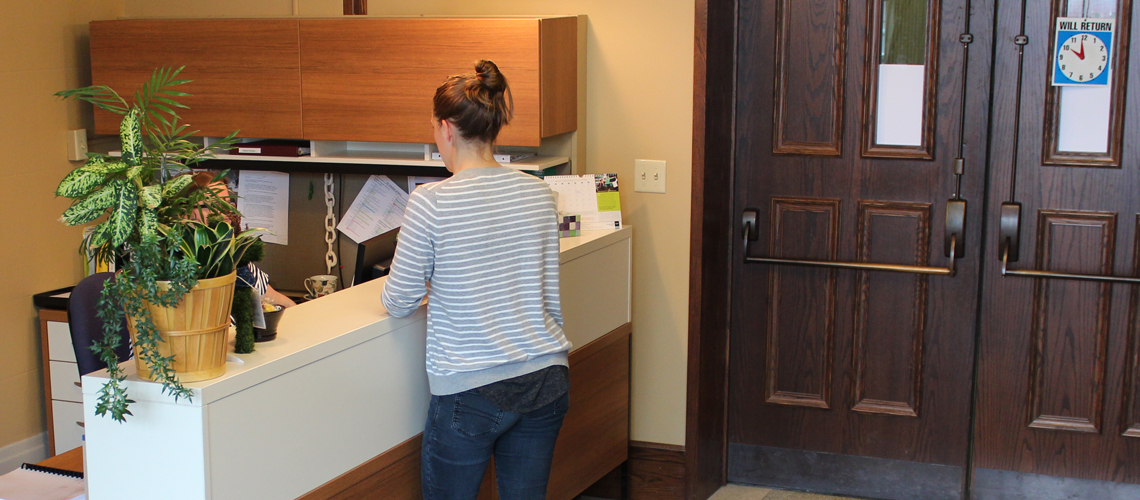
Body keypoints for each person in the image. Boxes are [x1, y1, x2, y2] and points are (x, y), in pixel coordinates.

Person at [380, 60, 571, 500]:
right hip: (546, 376)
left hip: (472, 388)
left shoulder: (430, 201)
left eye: (434, 128)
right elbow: (536, 282)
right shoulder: (539, 191)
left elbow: (399, 301)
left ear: (447, 128)